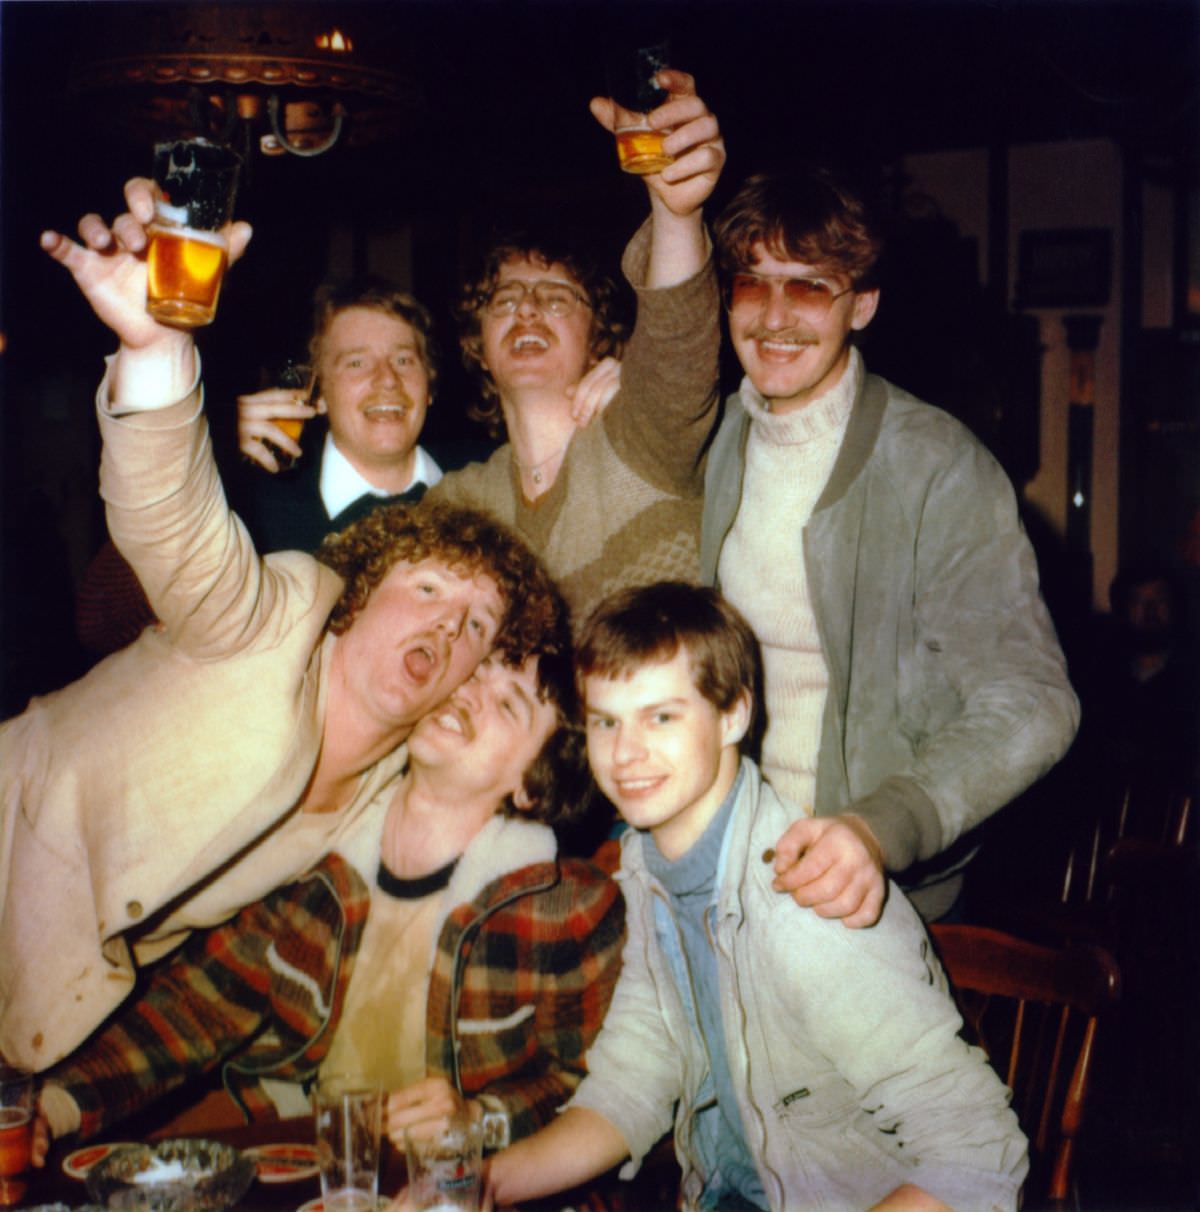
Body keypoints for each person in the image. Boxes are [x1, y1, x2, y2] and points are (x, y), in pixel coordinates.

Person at [0, 185, 561, 1073]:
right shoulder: (280, 602)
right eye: (424, 591)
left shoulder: (474, 504)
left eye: (474, 625)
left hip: (76, 1010)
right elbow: (171, 541)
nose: (447, 626)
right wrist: (158, 357)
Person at [486, 582, 1028, 1212]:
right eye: (607, 721)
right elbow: (631, 1085)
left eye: (661, 716)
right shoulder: (647, 864)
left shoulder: (802, 903)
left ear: (734, 715)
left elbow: (982, 1156)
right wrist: (472, 1187)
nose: (626, 753)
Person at [32, 615, 624, 1157]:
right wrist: (53, 1108)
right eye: (476, 672)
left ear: (532, 785)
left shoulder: (568, 910)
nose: (468, 693)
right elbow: (199, 1006)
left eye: (508, 704)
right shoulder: (314, 852)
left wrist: (483, 1117)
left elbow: (591, 1083)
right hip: (301, 1149)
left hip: (452, 1182)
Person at [700, 168, 1080, 924]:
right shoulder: (715, 441)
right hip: (726, 867)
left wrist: (880, 826)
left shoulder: (936, 464)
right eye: (752, 283)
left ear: (862, 304)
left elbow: (1035, 701)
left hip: (871, 893)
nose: (775, 315)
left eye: (809, 287)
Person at [426, 67, 724, 625]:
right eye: (505, 298)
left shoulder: (642, 439)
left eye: (558, 299)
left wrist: (675, 212)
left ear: (599, 341)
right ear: (479, 346)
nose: (529, 309)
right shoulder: (458, 505)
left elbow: (678, 341)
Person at [236, 276, 623, 551]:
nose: (387, 380)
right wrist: (200, 453)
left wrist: (615, 416)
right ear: (317, 395)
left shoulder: (496, 482)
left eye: (404, 360)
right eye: (356, 363)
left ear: (431, 386)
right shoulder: (256, 507)